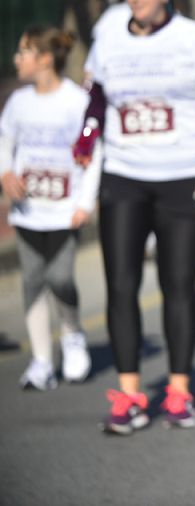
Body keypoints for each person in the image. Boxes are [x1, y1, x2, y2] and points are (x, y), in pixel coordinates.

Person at [75, 0, 195, 434]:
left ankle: (179, 392)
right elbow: (96, 100)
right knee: (120, 285)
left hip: (184, 177)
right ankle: (129, 394)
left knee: (177, 284)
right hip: (124, 176)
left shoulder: (192, 39)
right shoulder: (107, 39)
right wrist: (86, 136)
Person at [1, 26, 100, 390]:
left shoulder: (75, 101)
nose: (16, 59)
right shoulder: (18, 103)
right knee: (32, 280)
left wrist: (85, 202)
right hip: (28, 209)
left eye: (23, 52)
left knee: (59, 277)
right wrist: (6, 172)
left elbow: (93, 151)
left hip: (63, 209)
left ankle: (72, 334)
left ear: (44, 58)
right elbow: (4, 140)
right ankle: (42, 361)